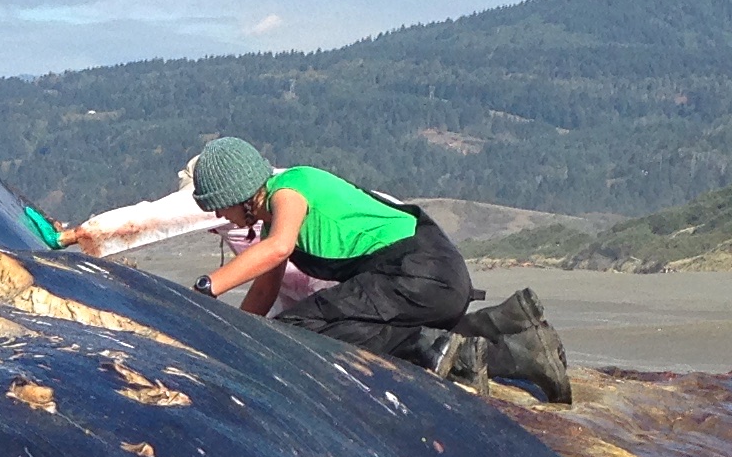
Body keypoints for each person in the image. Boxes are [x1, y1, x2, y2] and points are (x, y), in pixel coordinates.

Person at [182, 137, 571, 403]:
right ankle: (509, 339)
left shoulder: (289, 188)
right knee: (315, 323)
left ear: (239, 193)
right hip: (424, 279)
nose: (218, 215)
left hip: (417, 272)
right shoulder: (273, 221)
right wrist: (229, 338)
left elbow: (277, 249)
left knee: (296, 332)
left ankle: (438, 348)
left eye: (218, 205)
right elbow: (264, 293)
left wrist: (205, 289)